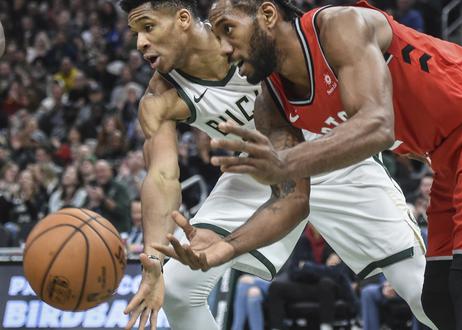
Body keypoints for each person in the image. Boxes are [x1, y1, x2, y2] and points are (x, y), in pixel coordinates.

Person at [173, 1, 462, 329]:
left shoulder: (338, 26)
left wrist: (284, 161)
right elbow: (293, 201)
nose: (223, 48)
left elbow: (376, 125)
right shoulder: (271, 103)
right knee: (438, 300)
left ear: (269, 15)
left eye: (229, 29)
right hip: (446, 154)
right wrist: (225, 247)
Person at [119, 1, 433, 329]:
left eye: (148, 27)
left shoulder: (247, 34)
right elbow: (162, 176)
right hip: (256, 172)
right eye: (136, 33)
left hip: (328, 151)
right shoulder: (159, 98)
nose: (140, 43)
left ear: (183, 19)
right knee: (179, 290)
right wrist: (152, 262)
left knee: (419, 289)